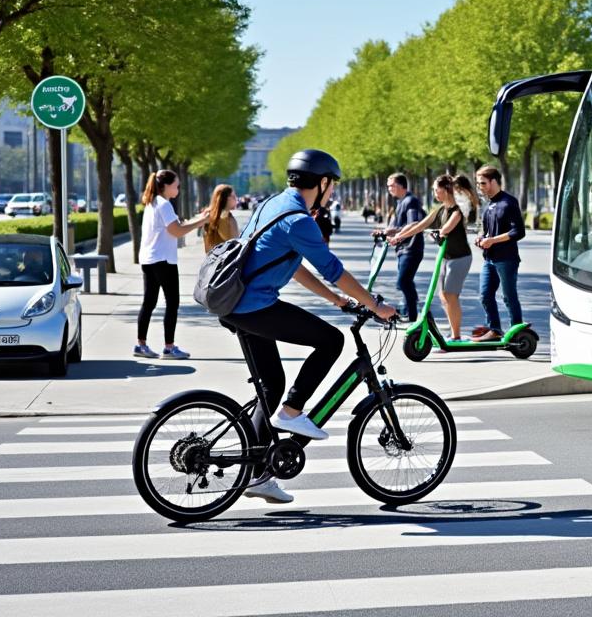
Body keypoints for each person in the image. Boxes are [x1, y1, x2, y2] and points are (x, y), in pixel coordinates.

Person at [221, 149, 396, 503]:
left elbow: (296, 266)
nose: (331, 193)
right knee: (331, 341)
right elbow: (332, 269)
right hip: (254, 306)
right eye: (331, 186)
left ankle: (257, 475)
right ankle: (293, 412)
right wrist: (374, 305)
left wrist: (338, 301)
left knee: (271, 386)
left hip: (236, 304)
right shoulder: (299, 220)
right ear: (323, 182)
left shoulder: (274, 204)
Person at [389, 174, 476, 342]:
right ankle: (453, 334)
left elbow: (448, 228)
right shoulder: (440, 210)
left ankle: (456, 336)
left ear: (446, 190)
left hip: (460, 257)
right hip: (446, 257)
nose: (435, 193)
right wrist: (399, 236)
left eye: (437, 190)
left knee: (450, 295)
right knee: (443, 296)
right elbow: (419, 225)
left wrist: (439, 232)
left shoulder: (456, 211)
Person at [134, 169, 208, 361]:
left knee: (149, 302)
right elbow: (177, 231)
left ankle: (140, 344)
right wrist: (202, 221)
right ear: (166, 186)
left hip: (149, 259)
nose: (178, 188)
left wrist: (199, 219)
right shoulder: (164, 204)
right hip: (163, 260)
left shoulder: (152, 203)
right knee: (172, 302)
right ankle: (169, 347)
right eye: (176, 185)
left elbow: (174, 227)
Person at [472, 166, 526, 343]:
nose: (479, 187)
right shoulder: (489, 205)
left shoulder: (508, 202)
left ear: (494, 181)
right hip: (490, 259)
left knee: (509, 296)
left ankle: (518, 332)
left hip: (507, 259)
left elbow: (518, 231)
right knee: (485, 295)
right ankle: (494, 330)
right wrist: (482, 238)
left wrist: (492, 240)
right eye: (478, 183)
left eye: (482, 183)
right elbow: (488, 233)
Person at [375, 173, 425, 322]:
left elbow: (413, 223)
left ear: (403, 186)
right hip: (402, 249)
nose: (390, 188)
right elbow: (396, 225)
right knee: (407, 281)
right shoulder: (401, 202)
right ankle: (411, 309)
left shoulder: (410, 201)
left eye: (393, 185)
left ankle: (412, 315)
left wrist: (394, 231)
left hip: (411, 248)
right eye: (388, 186)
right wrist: (384, 232)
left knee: (403, 281)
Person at [202, 184, 240, 253]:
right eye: (234, 196)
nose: (236, 199)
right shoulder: (227, 219)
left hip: (213, 261)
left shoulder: (208, 217)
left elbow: (207, 249)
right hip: (228, 261)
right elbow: (235, 245)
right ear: (227, 199)